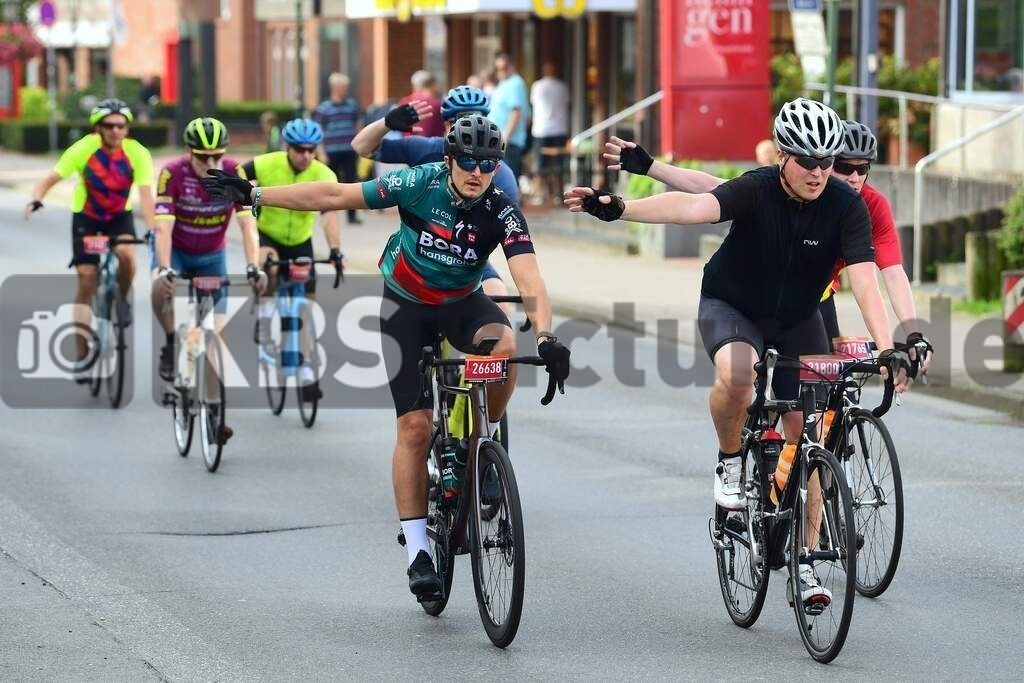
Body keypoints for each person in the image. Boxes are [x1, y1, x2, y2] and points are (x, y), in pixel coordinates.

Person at [202, 115, 571, 602]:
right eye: (467, 161)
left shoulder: (501, 210)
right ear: (448, 160)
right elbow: (336, 196)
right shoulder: (419, 184)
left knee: (504, 349)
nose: (477, 171)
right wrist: (256, 196)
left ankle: (479, 444)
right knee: (415, 429)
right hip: (406, 305)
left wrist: (546, 336)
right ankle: (418, 550)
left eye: (488, 163)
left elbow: (530, 280)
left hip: (460, 302)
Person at [569, 97, 914, 609]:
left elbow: (867, 279)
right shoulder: (757, 188)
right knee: (739, 371)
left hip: (798, 319)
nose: (820, 173)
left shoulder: (847, 207)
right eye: (808, 161)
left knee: (812, 438)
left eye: (827, 162)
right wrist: (621, 208)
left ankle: (806, 559)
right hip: (732, 306)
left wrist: (889, 349)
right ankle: (731, 460)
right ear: (783, 155)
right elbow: (695, 206)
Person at [603, 120, 932, 373]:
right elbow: (710, 190)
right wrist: (650, 168)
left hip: (817, 296)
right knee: (754, 380)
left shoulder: (868, 205)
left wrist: (912, 333)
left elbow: (889, 274)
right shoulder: (784, 188)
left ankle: (815, 454)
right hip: (762, 292)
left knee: (826, 390)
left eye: (863, 170)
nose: (854, 178)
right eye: (844, 168)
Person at [25, 98, 156, 382]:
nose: (115, 131)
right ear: (98, 128)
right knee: (87, 280)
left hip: (119, 217)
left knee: (126, 255)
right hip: (87, 218)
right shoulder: (84, 148)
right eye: (108, 125)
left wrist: (154, 226)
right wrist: (37, 199)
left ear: (127, 128)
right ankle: (82, 353)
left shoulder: (137, 152)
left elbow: (146, 193)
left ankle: (122, 298)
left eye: (121, 125)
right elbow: (49, 179)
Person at [350, 86, 518, 309]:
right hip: (419, 255)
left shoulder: (498, 171)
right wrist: (387, 123)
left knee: (503, 311)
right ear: (446, 126)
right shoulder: (425, 149)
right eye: (460, 122)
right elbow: (360, 146)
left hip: (466, 260)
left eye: (478, 120)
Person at [150, 117, 265, 409]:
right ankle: (170, 342)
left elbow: (247, 226)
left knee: (216, 332)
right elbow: (162, 227)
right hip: (176, 249)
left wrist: (253, 265)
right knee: (158, 287)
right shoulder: (172, 173)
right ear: (189, 152)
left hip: (212, 255)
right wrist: (164, 268)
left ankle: (213, 409)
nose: (210, 161)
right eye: (203, 156)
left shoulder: (232, 173)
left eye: (217, 155)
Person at [239, 118, 344, 402]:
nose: (306, 155)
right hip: (269, 236)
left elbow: (330, 215)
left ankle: (307, 373)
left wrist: (335, 250)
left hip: (300, 242)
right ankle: (263, 319)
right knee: (268, 264)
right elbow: (237, 174)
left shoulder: (324, 174)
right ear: (288, 146)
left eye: (311, 150)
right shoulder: (266, 163)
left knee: (305, 310)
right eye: (299, 149)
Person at [314, 73, 363, 225]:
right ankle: (330, 214)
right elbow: (318, 131)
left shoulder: (352, 105)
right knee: (331, 184)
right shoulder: (324, 108)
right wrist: (320, 152)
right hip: (331, 152)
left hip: (349, 151)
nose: (345, 90)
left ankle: (352, 216)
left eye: (346, 87)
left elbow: (359, 125)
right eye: (343, 87)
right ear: (334, 88)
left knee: (351, 183)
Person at [529, 61, 570, 204]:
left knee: (540, 164)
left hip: (541, 128)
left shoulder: (537, 86)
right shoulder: (562, 87)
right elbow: (566, 103)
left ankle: (540, 194)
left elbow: (533, 104)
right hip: (559, 128)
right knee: (558, 164)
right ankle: (558, 194)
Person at [490, 53, 530, 180]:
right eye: (498, 68)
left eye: (504, 67)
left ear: (512, 66)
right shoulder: (504, 83)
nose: (501, 71)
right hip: (500, 141)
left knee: (508, 181)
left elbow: (516, 112)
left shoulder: (515, 83)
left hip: (508, 142)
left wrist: (505, 137)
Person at [398, 70, 444, 138]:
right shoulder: (436, 105)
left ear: (414, 86)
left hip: (406, 146)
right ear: (433, 85)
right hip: (431, 146)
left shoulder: (403, 102)